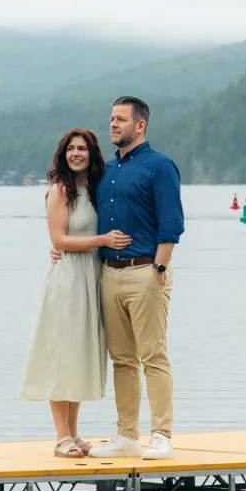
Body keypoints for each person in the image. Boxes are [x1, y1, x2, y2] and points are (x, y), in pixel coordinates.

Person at [20, 128, 132, 457]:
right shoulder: (59, 190)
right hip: (68, 280)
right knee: (62, 355)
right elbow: (59, 241)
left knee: (80, 354)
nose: (76, 153)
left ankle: (74, 432)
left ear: (92, 153)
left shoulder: (95, 190)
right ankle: (60, 436)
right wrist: (102, 241)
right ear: (63, 154)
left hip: (92, 278)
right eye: (71, 148)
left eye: (82, 148)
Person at [91, 96, 185, 460]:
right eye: (111, 118)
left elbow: (171, 224)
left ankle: (161, 434)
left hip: (147, 271)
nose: (113, 124)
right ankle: (126, 435)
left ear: (140, 125)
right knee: (122, 359)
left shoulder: (160, 166)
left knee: (153, 355)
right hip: (109, 274)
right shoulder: (108, 170)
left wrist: (159, 269)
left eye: (120, 119)